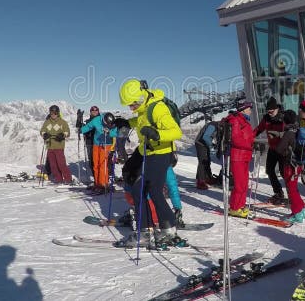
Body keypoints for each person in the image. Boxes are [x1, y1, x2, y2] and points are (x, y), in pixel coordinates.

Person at [116, 79, 182, 247]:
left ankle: (148, 232)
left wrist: (157, 133)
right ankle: (165, 230)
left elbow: (176, 131)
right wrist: (126, 122)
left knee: (145, 190)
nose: (131, 107)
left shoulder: (157, 108)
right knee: (149, 190)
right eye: (129, 105)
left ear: (140, 97)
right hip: (150, 152)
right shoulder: (144, 108)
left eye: (132, 104)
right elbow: (140, 122)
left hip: (160, 154)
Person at [275, 109, 305, 223]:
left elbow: (279, 149)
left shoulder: (289, 133)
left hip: (290, 164)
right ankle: (301, 208)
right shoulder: (298, 130)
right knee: (294, 188)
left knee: (291, 189)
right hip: (298, 164)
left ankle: (297, 213)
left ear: (285, 121)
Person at [254, 97, 287, 204]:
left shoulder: (284, 117)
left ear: (276, 108)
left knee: (284, 173)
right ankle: (278, 193)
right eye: (268, 111)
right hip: (272, 149)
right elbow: (259, 129)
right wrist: (248, 138)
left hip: (283, 150)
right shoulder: (266, 118)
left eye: (271, 111)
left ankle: (292, 193)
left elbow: (290, 132)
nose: (269, 113)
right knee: (269, 171)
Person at [227, 99, 255, 218]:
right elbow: (236, 139)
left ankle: (240, 205)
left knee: (244, 184)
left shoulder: (244, 121)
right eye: (249, 108)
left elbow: (247, 137)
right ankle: (234, 208)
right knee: (239, 184)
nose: (250, 111)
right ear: (243, 109)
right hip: (237, 157)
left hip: (244, 156)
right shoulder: (236, 120)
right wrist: (251, 145)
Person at [80, 109, 118, 193]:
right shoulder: (97, 120)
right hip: (96, 144)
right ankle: (97, 183)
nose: (107, 125)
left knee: (103, 165)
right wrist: (81, 130)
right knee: (95, 164)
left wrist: (109, 133)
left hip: (106, 144)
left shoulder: (113, 123)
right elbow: (89, 126)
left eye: (109, 124)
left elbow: (116, 133)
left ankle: (103, 184)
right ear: (103, 120)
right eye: (106, 124)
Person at [39, 105, 72, 184]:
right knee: (53, 165)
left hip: (59, 146)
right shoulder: (47, 122)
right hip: (50, 146)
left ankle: (68, 180)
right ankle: (59, 180)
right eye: (51, 112)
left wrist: (63, 135)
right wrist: (44, 134)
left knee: (61, 164)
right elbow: (42, 130)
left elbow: (67, 132)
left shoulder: (62, 122)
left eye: (55, 113)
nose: (53, 114)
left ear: (58, 113)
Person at [194, 120, 221, 190]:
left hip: (204, 144)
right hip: (201, 143)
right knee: (203, 161)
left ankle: (207, 178)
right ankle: (200, 181)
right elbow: (205, 137)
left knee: (207, 160)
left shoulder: (216, 125)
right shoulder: (213, 125)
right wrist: (212, 145)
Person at [81, 106, 100, 185]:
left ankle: (102, 179)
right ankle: (96, 179)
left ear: (98, 111)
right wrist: (80, 123)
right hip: (90, 143)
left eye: (96, 111)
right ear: (90, 112)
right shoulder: (88, 121)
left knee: (99, 161)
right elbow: (83, 131)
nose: (94, 112)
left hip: (99, 143)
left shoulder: (101, 120)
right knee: (92, 162)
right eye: (93, 111)